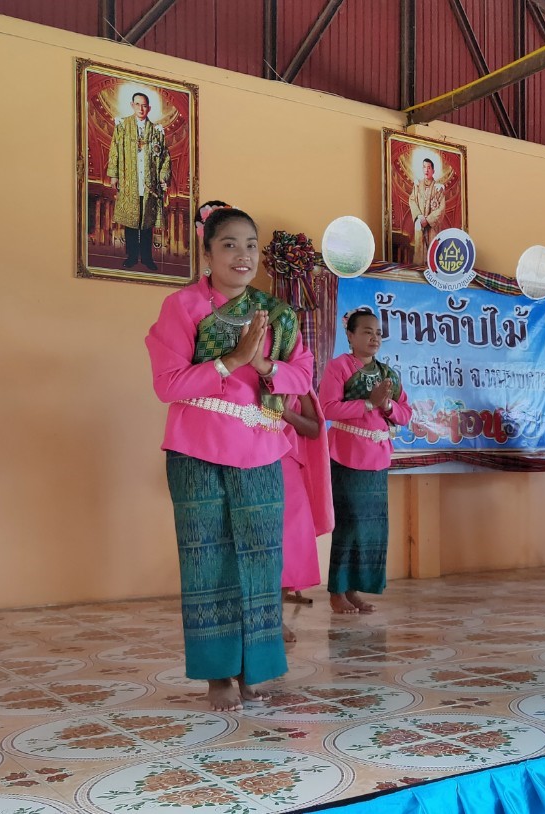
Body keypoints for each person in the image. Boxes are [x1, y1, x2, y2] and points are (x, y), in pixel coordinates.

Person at [145, 201, 313, 711]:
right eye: (229, 245)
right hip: (197, 451)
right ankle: (218, 675)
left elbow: (303, 377)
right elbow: (166, 384)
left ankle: (254, 669)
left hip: (262, 451)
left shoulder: (278, 315)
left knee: (262, 562)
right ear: (207, 252)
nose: (242, 255)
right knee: (207, 560)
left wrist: (264, 365)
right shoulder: (183, 308)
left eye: (250, 245)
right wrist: (230, 361)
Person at [321, 308, 412, 614]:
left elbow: (405, 414)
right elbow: (328, 408)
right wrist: (366, 403)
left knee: (372, 529)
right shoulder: (339, 368)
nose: (374, 338)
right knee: (348, 526)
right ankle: (337, 590)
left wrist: (386, 405)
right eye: (366, 332)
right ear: (350, 335)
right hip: (346, 456)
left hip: (377, 460)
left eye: (378, 333)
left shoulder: (388, 374)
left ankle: (355, 589)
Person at [279, 391, 333, 641]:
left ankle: (272, 617)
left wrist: (285, 413)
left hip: (286, 461)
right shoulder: (244, 367)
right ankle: (253, 617)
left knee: (292, 543)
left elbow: (313, 428)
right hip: (246, 458)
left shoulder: (296, 379)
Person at [106, 91, 171, 270]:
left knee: (147, 224)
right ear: (132, 105)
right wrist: (114, 175)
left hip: (149, 185)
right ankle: (132, 257)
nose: (141, 108)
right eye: (137, 104)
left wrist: (163, 178)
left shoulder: (157, 130)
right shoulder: (122, 126)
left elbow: (165, 156)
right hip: (130, 182)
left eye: (144, 105)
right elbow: (114, 151)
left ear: (148, 108)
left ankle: (147, 258)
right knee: (132, 223)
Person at [407, 158, 445, 264]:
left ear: (433, 171)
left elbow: (441, 209)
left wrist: (427, 220)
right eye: (424, 167)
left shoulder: (439, 189)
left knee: (433, 254)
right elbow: (412, 200)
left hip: (432, 227)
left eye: (429, 168)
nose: (426, 170)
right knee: (419, 253)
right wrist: (419, 216)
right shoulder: (417, 186)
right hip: (420, 224)